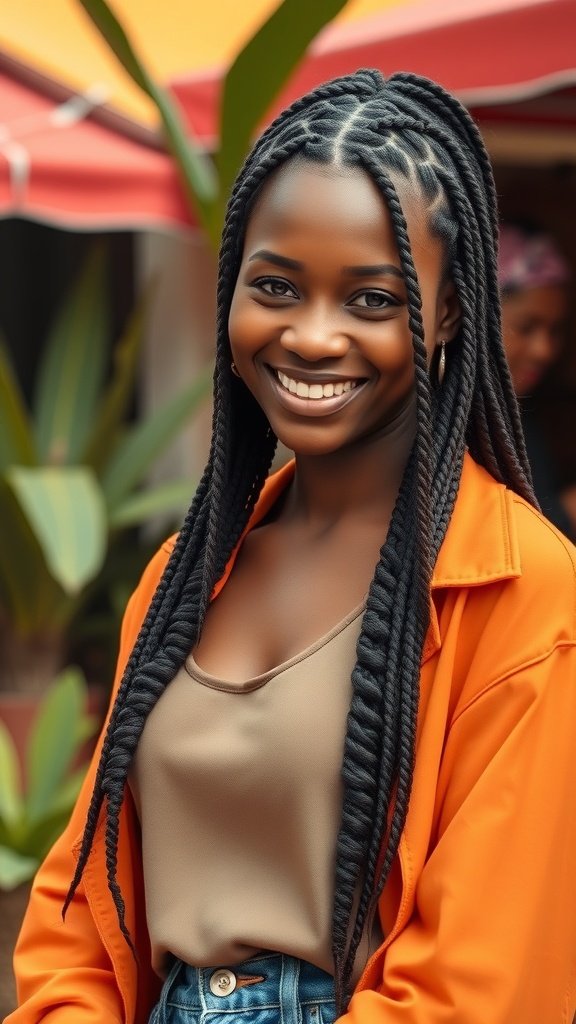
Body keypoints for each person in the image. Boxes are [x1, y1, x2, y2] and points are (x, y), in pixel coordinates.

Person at [8, 70, 576, 1024]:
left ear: (445, 316)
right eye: (276, 286)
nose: (312, 337)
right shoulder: (185, 577)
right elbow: (79, 916)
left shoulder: (526, 597)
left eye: (371, 298)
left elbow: (481, 988)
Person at [498, 220, 575, 537]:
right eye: (527, 327)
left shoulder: (517, 417)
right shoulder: (452, 425)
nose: (544, 350)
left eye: (554, 331)